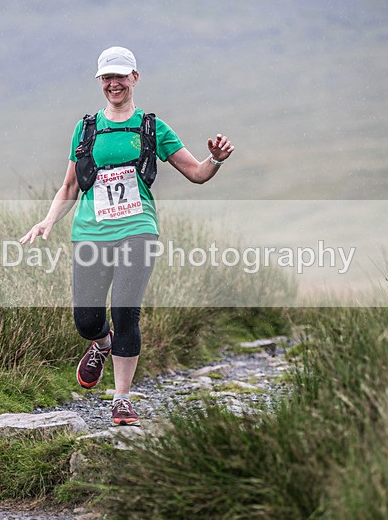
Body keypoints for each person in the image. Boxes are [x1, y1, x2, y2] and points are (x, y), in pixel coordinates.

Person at [20, 46, 234, 426]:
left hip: (138, 230)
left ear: (135, 78)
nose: (114, 83)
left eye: (121, 76)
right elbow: (69, 186)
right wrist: (48, 220)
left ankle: (121, 399)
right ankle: (100, 344)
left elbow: (197, 173)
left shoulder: (153, 128)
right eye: (107, 77)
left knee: (125, 311)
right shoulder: (86, 128)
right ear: (100, 81)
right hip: (90, 232)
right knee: (86, 319)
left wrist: (215, 159)